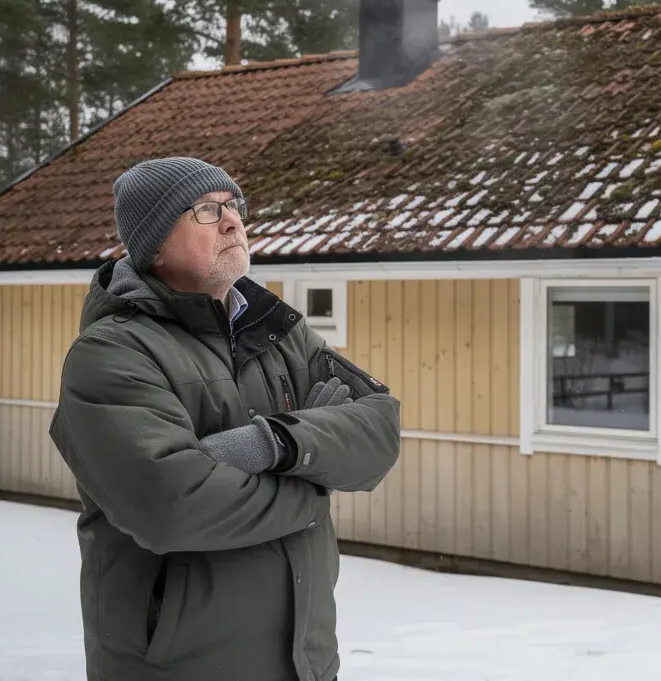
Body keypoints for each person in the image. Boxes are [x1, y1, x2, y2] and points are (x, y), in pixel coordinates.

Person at [49, 156, 401, 681]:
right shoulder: (111, 354)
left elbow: (380, 428)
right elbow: (171, 508)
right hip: (179, 667)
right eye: (207, 210)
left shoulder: (279, 332)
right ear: (153, 244)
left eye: (234, 206)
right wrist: (315, 486)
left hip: (305, 661)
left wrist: (274, 445)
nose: (234, 220)